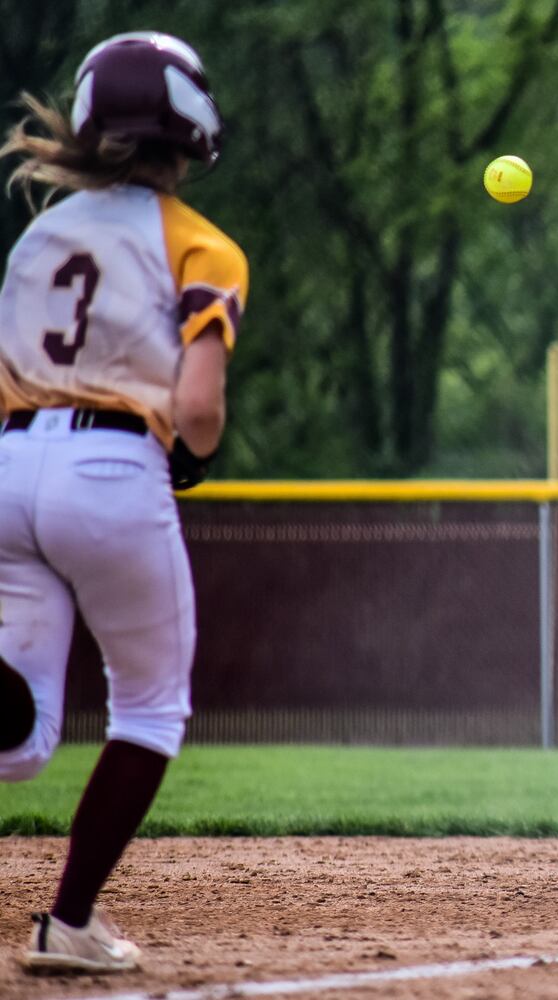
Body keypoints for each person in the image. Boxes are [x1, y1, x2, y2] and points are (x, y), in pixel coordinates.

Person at [0, 32, 246, 971]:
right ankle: (67, 924)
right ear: (192, 124)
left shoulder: (38, 234)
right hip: (110, 472)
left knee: (20, 738)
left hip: (11, 463)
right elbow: (197, 408)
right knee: (148, 708)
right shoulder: (199, 244)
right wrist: (192, 454)